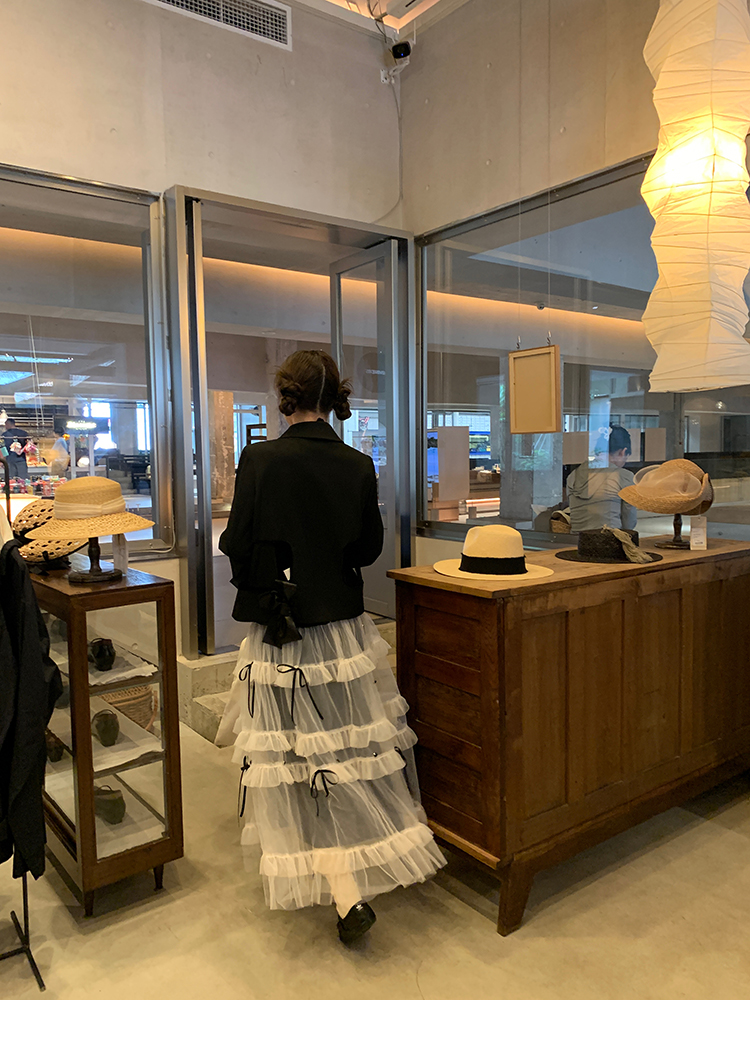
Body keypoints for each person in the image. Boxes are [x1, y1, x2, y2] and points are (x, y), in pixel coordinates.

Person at [217, 349, 445, 944]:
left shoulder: (260, 459)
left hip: (283, 622)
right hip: (342, 626)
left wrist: (273, 567)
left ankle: (339, 883)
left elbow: (236, 541)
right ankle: (355, 873)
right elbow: (366, 549)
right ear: (334, 398)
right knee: (347, 743)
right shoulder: (358, 463)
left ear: (284, 396)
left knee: (292, 750)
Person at [566, 424, 637, 533]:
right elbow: (629, 523)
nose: (624, 463)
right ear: (622, 452)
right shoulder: (623, 476)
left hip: (576, 539)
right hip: (609, 539)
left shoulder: (573, 475)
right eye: (625, 458)